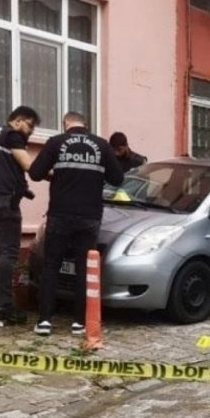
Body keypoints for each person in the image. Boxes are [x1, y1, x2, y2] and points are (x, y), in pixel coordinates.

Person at [28, 112, 124, 336]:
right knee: (83, 268)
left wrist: (58, 175)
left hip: (60, 214)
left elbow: (35, 173)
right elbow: (117, 179)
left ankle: (45, 321)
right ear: (85, 124)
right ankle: (79, 322)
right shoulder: (101, 145)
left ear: (65, 124)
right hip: (89, 216)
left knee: (51, 266)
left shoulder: (56, 142)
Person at [0, 106, 41, 327]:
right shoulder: (12, 135)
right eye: (30, 126)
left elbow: (0, 169)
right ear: (18, 121)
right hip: (5, 202)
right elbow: (28, 165)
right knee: (9, 253)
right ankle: (5, 306)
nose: (30, 132)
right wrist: (52, 174)